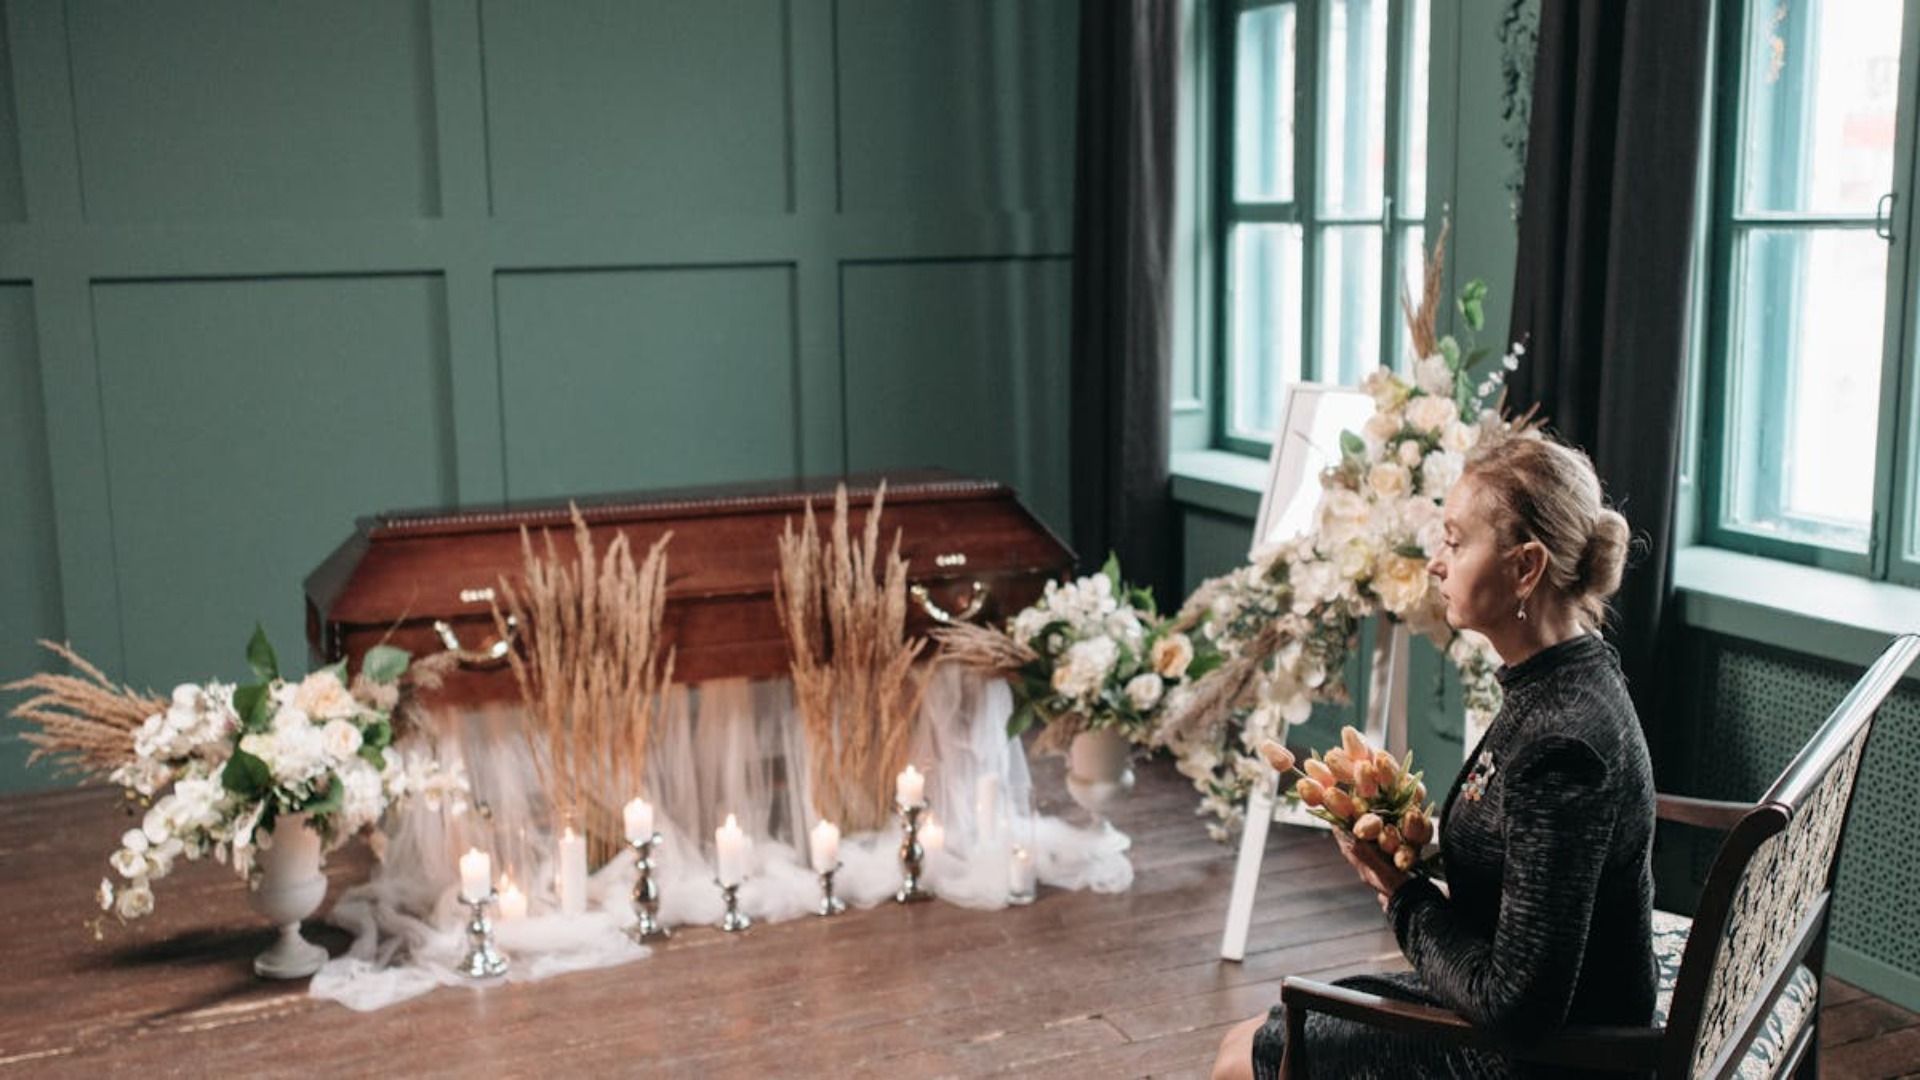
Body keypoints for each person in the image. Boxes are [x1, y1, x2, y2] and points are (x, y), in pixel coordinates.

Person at [1213, 431, 1657, 1080]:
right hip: (1535, 1011)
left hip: (1556, 1060)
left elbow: (1516, 1010)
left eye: (1454, 541)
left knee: (1239, 1064)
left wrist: (1398, 890)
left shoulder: (1562, 743)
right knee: (1243, 1040)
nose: (1435, 564)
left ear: (1525, 567)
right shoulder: (1565, 674)